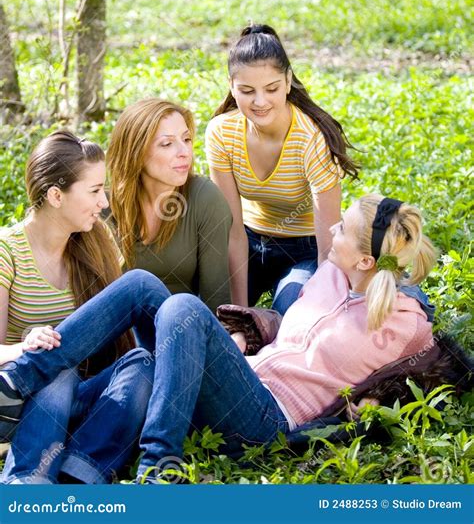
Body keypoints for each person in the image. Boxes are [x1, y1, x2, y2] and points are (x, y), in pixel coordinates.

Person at [0, 194, 436, 484]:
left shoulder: (405, 322)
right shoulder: (329, 276)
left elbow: (429, 374)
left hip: (267, 422)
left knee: (183, 309)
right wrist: (249, 334)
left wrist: (376, 403)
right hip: (242, 382)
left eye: (341, 229)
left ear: (365, 257)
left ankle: (157, 467)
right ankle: (18, 379)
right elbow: (286, 327)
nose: (332, 232)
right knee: (140, 284)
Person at [0, 131, 155, 484]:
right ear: (56, 195)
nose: (104, 202)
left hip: (77, 403)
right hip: (19, 405)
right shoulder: (7, 252)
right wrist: (24, 348)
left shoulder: (94, 242)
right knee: (58, 367)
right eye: (95, 190)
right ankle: (27, 480)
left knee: (142, 363)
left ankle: (78, 472)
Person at [205, 24, 359, 313]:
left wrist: (321, 304)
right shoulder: (221, 132)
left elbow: (328, 240)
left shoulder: (311, 138)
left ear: (288, 82)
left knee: (289, 312)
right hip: (249, 241)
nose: (260, 101)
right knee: (210, 308)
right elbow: (233, 230)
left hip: (305, 248)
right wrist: (239, 313)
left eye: (272, 88)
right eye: (247, 91)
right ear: (231, 86)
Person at [106, 98, 232, 313]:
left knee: (177, 306)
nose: (184, 152)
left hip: (181, 330)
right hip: (120, 335)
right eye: (167, 144)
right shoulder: (102, 207)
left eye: (187, 139)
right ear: (135, 152)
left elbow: (216, 299)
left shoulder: (204, 197)